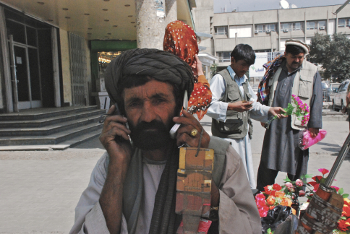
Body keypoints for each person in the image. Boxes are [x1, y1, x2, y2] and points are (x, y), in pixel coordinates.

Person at [70, 48, 262, 234]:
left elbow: (250, 228)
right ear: (121, 112)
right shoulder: (111, 164)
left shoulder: (222, 157)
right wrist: (118, 167)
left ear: (180, 106)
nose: (147, 116)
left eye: (159, 100)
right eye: (135, 104)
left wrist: (198, 167)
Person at [206, 44, 285, 189]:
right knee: (229, 178)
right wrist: (230, 106)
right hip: (226, 139)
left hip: (243, 138)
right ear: (232, 60)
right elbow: (207, 105)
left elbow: (252, 105)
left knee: (243, 179)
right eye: (243, 65)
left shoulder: (244, 80)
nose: (245, 69)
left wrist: (269, 110)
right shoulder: (220, 78)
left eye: (248, 66)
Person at [256, 39, 323, 191]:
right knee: (268, 161)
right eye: (294, 57)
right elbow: (265, 91)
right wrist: (265, 114)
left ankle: (295, 197)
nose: (297, 60)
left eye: (300, 57)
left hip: (298, 126)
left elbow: (317, 99)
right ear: (285, 54)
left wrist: (314, 125)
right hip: (275, 125)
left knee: (297, 164)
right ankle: (263, 194)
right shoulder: (275, 68)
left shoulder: (312, 71)